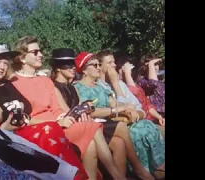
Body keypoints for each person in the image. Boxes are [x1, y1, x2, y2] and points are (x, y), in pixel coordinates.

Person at [11, 36, 129, 180]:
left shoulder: (45, 81)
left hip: (59, 125)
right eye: (35, 52)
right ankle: (118, 177)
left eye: (40, 51)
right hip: (38, 130)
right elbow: (23, 117)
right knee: (91, 128)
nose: (41, 55)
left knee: (90, 141)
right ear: (22, 58)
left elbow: (57, 108)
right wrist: (58, 122)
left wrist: (63, 118)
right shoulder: (14, 83)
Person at [0, 43, 88, 180]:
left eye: (5, 62)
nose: (2, 67)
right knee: (50, 129)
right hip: (9, 135)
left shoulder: (9, 84)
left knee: (52, 130)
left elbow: (27, 114)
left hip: (27, 129)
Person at [74, 50, 164, 179]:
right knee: (124, 127)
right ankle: (139, 168)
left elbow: (114, 103)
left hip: (109, 122)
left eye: (99, 65)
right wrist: (117, 110)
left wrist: (127, 108)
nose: (99, 68)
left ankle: (127, 175)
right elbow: (89, 110)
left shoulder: (99, 87)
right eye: (95, 65)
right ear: (84, 70)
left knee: (121, 141)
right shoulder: (78, 88)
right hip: (95, 125)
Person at [49, 48, 129, 178]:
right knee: (99, 131)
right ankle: (120, 176)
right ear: (58, 68)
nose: (73, 68)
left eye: (73, 64)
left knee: (119, 143)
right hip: (70, 126)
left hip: (83, 123)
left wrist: (86, 108)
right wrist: (84, 110)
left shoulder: (71, 87)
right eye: (68, 64)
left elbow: (83, 107)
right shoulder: (55, 87)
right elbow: (67, 112)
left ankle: (122, 175)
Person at [114, 53, 165, 138]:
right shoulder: (142, 82)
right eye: (153, 65)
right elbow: (153, 83)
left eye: (157, 65)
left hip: (155, 116)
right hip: (145, 119)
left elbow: (148, 104)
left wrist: (159, 117)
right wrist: (127, 74)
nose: (156, 67)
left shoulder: (158, 82)